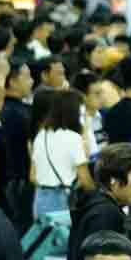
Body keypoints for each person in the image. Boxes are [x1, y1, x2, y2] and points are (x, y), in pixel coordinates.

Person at [27, 86, 90, 224]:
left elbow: (32, 176)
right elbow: (85, 179)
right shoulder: (73, 138)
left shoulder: (40, 136)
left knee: (45, 237)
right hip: (62, 200)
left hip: (40, 199)